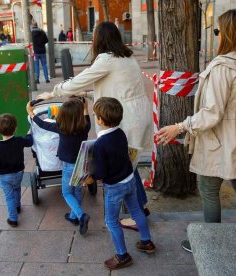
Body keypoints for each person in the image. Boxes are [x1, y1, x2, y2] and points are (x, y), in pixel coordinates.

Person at [155, 9, 236, 253]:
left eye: (218, 31)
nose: (216, 35)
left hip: (221, 138)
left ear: (228, 34)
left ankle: (210, 242)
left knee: (208, 189)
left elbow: (212, 113)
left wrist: (179, 127)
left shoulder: (222, 68)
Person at [35, 21, 152, 230]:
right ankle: (140, 208)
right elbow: (112, 91)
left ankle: (136, 213)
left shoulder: (106, 60)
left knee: (123, 168)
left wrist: (54, 92)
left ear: (99, 39)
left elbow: (79, 80)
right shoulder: (127, 57)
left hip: (126, 119)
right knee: (128, 164)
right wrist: (85, 94)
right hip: (135, 114)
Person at [84, 97, 156, 270]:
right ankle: (147, 242)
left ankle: (122, 256)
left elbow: (101, 173)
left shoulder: (101, 144)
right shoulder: (120, 133)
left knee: (111, 221)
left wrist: (90, 178)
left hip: (115, 187)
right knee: (136, 211)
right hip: (130, 180)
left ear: (101, 120)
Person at [26, 98, 91, 235]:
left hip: (68, 165)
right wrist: (85, 106)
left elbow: (42, 124)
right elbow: (86, 115)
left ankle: (80, 214)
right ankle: (73, 217)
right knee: (77, 191)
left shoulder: (61, 128)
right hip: (81, 164)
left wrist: (30, 112)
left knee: (67, 192)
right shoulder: (85, 127)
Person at [0, 114, 33, 227]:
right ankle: (17, 206)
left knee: (9, 197)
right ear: (15, 128)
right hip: (19, 173)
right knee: (17, 188)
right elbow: (29, 142)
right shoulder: (19, 141)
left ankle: (13, 219)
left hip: (5, 177)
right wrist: (29, 134)